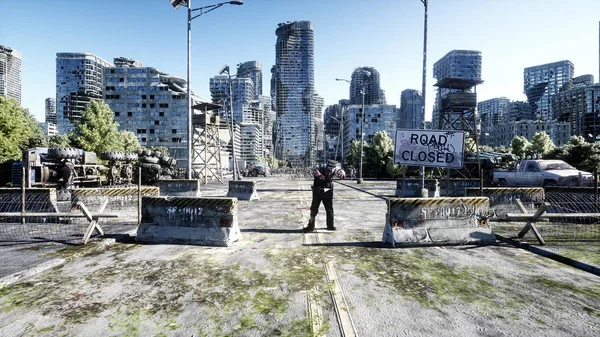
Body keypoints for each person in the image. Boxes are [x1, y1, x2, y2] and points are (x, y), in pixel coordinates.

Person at [303, 159, 346, 232]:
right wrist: (318, 173)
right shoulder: (320, 166)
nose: (329, 171)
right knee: (314, 209)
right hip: (317, 191)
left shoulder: (335, 169)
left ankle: (330, 225)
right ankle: (310, 226)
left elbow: (340, 171)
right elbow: (314, 170)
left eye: (331, 169)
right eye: (328, 169)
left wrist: (342, 174)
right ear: (327, 165)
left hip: (327, 191)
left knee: (329, 209)